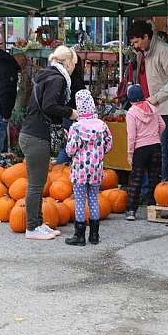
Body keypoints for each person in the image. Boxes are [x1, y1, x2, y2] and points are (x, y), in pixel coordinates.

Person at [19, 46, 78, 240]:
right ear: (67, 62)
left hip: (30, 133)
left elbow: (42, 106)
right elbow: (49, 105)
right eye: (74, 65)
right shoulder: (57, 79)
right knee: (36, 185)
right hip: (36, 136)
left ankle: (38, 223)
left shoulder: (45, 75)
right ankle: (32, 227)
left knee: (37, 183)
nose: (73, 69)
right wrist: (70, 113)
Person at [128, 20, 168, 181]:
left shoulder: (164, 51)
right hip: (151, 107)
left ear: (146, 37)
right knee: (151, 151)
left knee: (163, 151)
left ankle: (164, 186)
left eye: (137, 42)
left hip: (165, 109)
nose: (136, 46)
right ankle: (153, 189)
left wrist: (157, 97)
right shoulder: (143, 52)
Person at [64, 90, 112, 247]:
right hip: (96, 169)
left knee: (79, 201)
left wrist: (68, 140)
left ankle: (79, 236)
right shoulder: (102, 125)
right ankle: (94, 235)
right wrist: (98, 153)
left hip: (80, 171)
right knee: (94, 199)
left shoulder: (76, 128)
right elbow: (108, 145)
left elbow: (70, 151)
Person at [125, 84, 165, 221]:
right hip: (155, 146)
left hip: (140, 149)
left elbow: (131, 135)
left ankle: (131, 210)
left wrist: (130, 153)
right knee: (155, 178)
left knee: (136, 179)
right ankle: (152, 207)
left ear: (130, 100)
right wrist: (155, 136)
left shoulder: (131, 113)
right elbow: (163, 125)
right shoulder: (153, 108)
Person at [55, 54, 85, 165]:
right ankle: (61, 168)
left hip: (63, 114)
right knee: (70, 145)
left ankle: (59, 169)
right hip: (73, 115)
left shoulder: (61, 79)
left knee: (66, 144)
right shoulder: (77, 81)